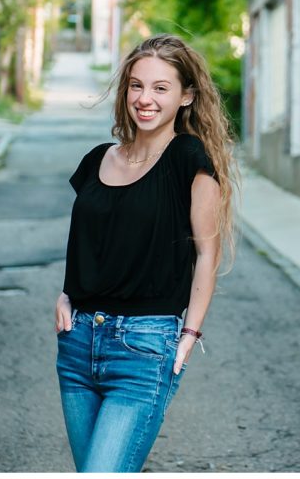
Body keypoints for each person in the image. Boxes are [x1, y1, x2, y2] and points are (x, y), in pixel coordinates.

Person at [56, 34, 236, 474]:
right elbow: (88, 240)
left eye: (161, 88)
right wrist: (65, 295)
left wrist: (188, 337)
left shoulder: (189, 159)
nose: (145, 99)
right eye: (137, 85)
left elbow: (206, 257)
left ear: (186, 96)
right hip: (78, 344)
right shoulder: (97, 159)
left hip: (144, 345)